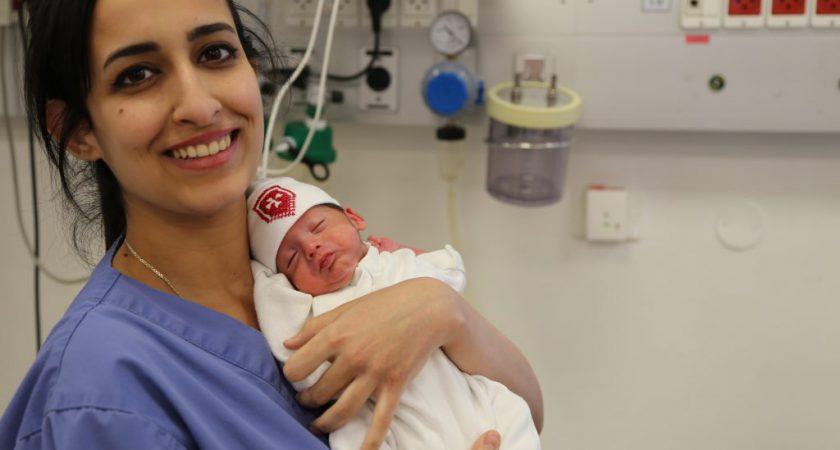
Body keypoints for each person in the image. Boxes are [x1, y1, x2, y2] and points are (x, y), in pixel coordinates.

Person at [0, 0, 543, 449]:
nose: (199, 104)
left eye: (215, 53)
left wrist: (443, 309)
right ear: (77, 131)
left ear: (252, 68)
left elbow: (525, 413)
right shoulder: (103, 394)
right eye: (137, 75)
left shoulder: (305, 257)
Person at [247, 177, 542, 450]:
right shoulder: (312, 310)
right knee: (353, 434)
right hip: (393, 426)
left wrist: (408, 252)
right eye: (292, 258)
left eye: (319, 226)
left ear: (354, 219)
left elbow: (451, 271)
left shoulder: (390, 264)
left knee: (512, 410)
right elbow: (292, 349)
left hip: (471, 405)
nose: (311, 247)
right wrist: (261, 274)